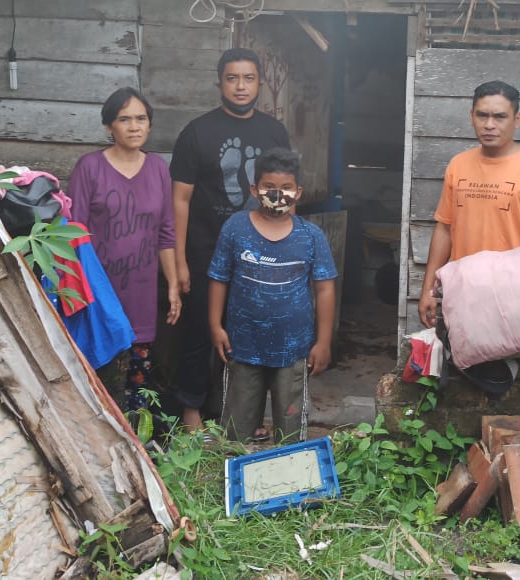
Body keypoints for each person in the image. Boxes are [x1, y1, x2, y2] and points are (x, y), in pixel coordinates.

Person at [169, 47, 290, 431]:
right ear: (220, 82)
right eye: (233, 78)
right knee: (198, 331)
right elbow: (180, 201)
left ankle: (241, 415)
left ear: (260, 83)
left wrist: (285, 248)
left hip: (257, 250)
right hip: (204, 249)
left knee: (248, 332)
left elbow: (285, 193)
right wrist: (180, 261)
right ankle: (190, 413)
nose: (241, 86)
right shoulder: (196, 133)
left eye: (249, 78)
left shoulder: (274, 132)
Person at [207, 148, 336, 444]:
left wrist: (324, 342)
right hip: (243, 345)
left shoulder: (311, 236)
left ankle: (290, 481)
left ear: (298, 192)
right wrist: (215, 326)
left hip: (293, 350)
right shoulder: (236, 228)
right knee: (235, 432)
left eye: (286, 188)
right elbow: (218, 277)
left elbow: (325, 287)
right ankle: (235, 476)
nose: (277, 195)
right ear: (254, 189)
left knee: (290, 432)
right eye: (269, 188)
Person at [68, 87, 181, 417]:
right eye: (124, 119)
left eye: (141, 119)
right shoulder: (90, 167)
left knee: (138, 387)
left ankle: (137, 454)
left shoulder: (159, 168)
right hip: (100, 295)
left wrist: (173, 285)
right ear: (109, 127)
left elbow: (166, 232)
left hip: (142, 295)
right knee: (99, 383)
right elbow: (74, 233)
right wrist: (83, 292)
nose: (134, 127)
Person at [418, 80, 520, 330]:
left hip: (513, 299)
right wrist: (429, 288)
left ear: (516, 119)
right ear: (471, 116)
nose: (489, 125)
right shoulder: (458, 165)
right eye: (482, 115)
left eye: (500, 117)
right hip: (463, 294)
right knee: (461, 365)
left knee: (512, 367)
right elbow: (444, 229)